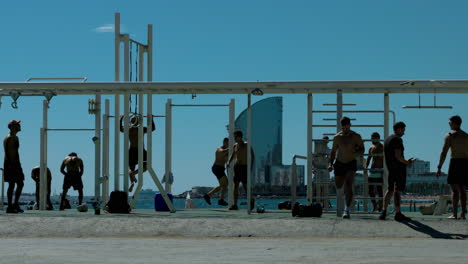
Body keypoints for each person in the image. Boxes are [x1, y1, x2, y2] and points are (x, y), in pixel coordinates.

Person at [328, 117, 365, 219]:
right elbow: (333, 152)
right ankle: (343, 192)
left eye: (346, 125)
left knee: (348, 185)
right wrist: (330, 164)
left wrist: (356, 152)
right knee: (339, 185)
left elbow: (362, 149)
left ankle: (347, 210)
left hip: (351, 163)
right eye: (343, 125)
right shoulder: (337, 137)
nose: (345, 127)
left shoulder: (356, 136)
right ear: (341, 126)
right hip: (339, 163)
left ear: (350, 125)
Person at [380, 122, 414, 221]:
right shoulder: (398, 140)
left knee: (390, 190)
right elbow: (398, 156)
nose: (404, 132)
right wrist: (407, 163)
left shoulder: (387, 140)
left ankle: (384, 211)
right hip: (398, 169)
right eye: (403, 130)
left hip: (390, 168)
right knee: (397, 190)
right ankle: (398, 213)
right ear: (398, 129)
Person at [436, 115, 467, 220]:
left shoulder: (449, 136)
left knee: (454, 190)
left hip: (455, 162)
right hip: (465, 162)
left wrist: (439, 167)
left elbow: (444, 152)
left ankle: (454, 214)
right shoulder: (466, 136)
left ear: (454, 123)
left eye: (450, 123)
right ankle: (463, 213)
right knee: (462, 189)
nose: (449, 124)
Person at [120, 115, 155, 192]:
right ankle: (133, 174)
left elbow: (120, 129)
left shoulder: (129, 129)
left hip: (133, 150)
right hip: (140, 150)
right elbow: (152, 128)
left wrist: (121, 120)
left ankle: (132, 181)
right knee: (145, 167)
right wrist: (151, 119)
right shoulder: (141, 129)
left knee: (130, 169)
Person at [227, 130, 255, 210]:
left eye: (236, 137)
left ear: (240, 137)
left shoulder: (246, 145)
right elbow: (233, 154)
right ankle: (235, 205)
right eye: (234, 137)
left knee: (245, 186)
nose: (234, 138)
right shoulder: (235, 145)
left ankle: (251, 200)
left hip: (244, 167)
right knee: (235, 186)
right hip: (237, 167)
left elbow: (252, 155)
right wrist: (229, 161)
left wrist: (251, 167)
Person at [3, 120, 25, 213]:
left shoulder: (15, 137)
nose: (19, 126)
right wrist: (14, 166)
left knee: (20, 183)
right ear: (12, 127)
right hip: (12, 164)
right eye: (17, 125)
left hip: (15, 163)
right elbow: (11, 154)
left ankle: (15, 204)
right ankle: (10, 206)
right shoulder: (11, 138)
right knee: (12, 184)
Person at [203, 138, 229, 206]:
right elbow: (222, 151)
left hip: (221, 169)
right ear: (224, 142)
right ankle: (220, 200)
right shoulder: (219, 149)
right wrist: (231, 148)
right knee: (225, 184)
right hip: (217, 168)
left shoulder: (227, 151)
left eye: (229, 143)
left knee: (223, 185)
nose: (228, 145)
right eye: (227, 143)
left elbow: (226, 161)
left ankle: (208, 195)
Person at [365, 132, 384, 212]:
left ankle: (380, 207)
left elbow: (384, 159)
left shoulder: (382, 147)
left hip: (380, 171)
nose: (371, 139)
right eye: (371, 138)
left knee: (380, 190)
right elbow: (369, 159)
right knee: (370, 190)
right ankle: (375, 205)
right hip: (372, 172)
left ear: (378, 138)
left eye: (373, 138)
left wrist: (383, 171)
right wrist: (366, 168)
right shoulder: (371, 148)